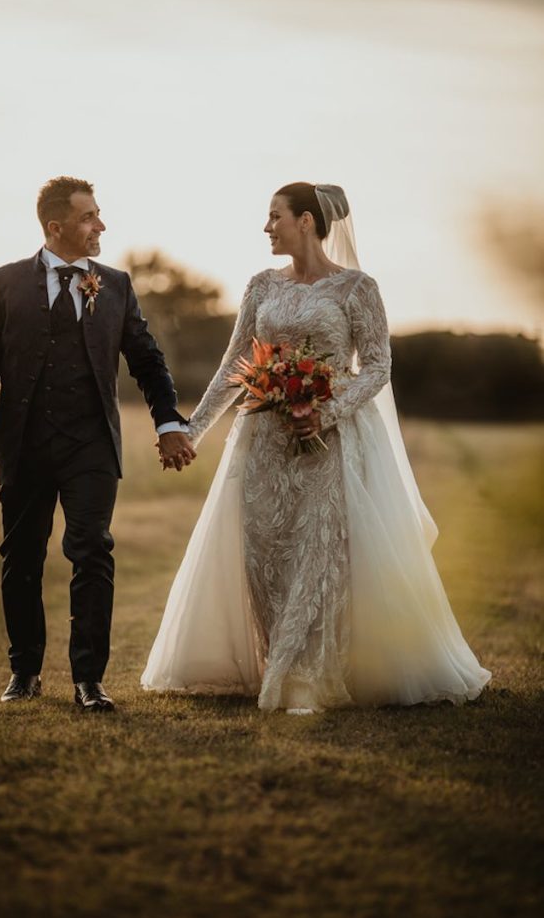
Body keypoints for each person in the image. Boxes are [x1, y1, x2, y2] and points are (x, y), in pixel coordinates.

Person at [142, 182, 491, 713]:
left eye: (274, 216)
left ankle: (307, 676)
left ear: (306, 221)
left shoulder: (357, 289)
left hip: (332, 441)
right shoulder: (261, 286)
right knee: (266, 550)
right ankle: (273, 662)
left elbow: (377, 366)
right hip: (262, 442)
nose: (266, 228)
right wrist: (191, 430)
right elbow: (236, 367)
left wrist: (324, 412)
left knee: (319, 552)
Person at [0, 176, 195, 712]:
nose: (101, 226)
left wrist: (168, 422)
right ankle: (25, 672)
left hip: (90, 447)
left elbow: (147, 360)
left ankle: (89, 679)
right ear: (56, 226)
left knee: (92, 551)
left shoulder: (114, 285)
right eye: (90, 217)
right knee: (21, 558)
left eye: (98, 215)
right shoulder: (3, 284)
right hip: (22, 446)